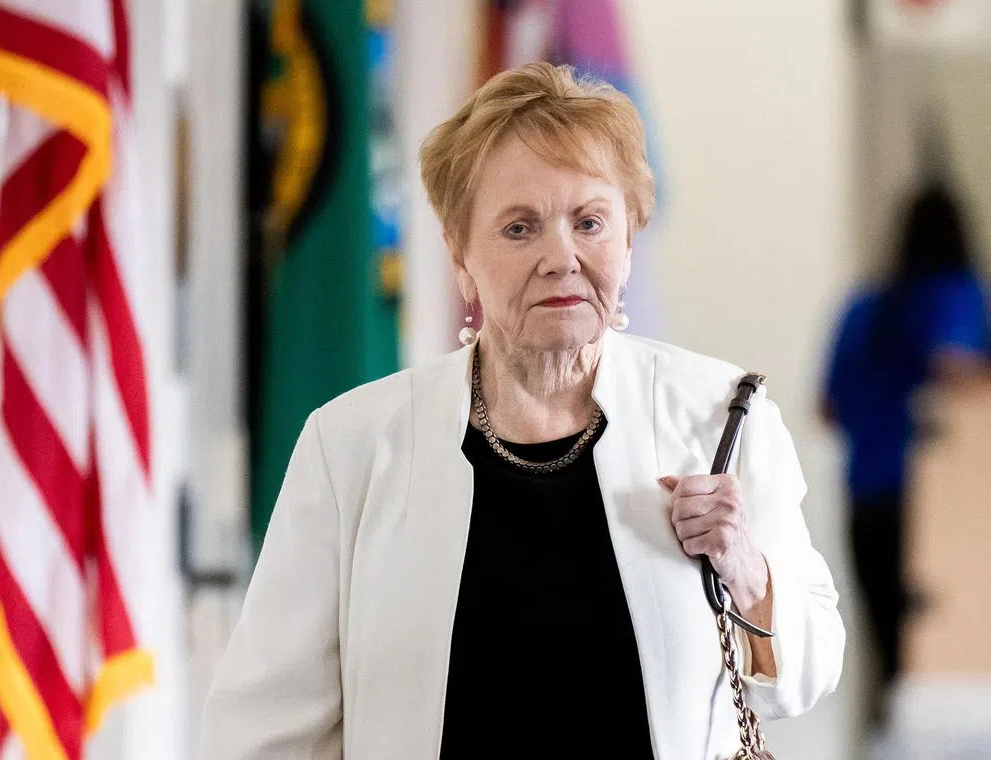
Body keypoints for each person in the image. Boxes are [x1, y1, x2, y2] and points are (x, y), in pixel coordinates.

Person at [200, 62, 845, 759]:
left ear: (629, 241)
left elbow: (809, 675)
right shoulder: (352, 445)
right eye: (519, 228)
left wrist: (745, 568)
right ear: (460, 255)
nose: (561, 257)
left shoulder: (722, 418)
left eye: (590, 222)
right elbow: (263, 731)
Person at [821, 180, 990, 725]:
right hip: (937, 508)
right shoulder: (958, 294)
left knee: (891, 661)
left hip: (867, 499)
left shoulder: (863, 307)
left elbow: (827, 406)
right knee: (942, 666)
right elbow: (952, 367)